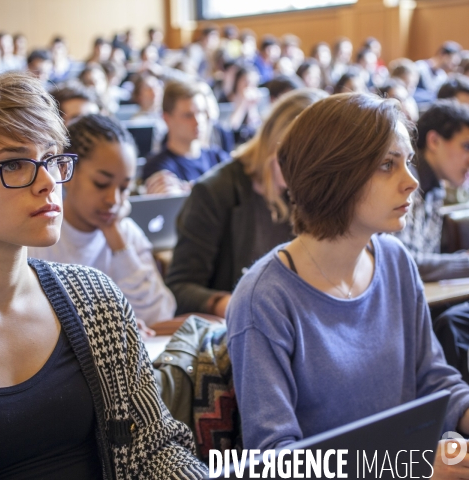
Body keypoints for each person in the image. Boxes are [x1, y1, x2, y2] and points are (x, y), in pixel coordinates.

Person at [0, 72, 206, 479]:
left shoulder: (96, 298)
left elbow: (155, 447)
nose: (48, 182)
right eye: (13, 164)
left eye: (51, 159)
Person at [226, 93, 469, 478]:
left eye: (407, 162)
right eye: (387, 165)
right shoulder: (265, 298)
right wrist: (409, 465)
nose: (411, 182)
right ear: (334, 176)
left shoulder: (395, 261)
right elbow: (277, 461)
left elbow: (434, 380)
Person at [166, 89, 327, 317]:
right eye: (304, 159)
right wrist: (237, 305)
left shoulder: (309, 190)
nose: (309, 174)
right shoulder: (216, 191)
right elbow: (180, 288)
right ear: (277, 145)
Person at [28, 114, 176, 327]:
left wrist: (116, 237)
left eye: (124, 188)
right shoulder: (38, 237)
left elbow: (161, 314)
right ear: (66, 171)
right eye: (101, 183)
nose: (113, 200)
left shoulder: (126, 233)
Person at [396, 100, 469, 281]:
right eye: (466, 146)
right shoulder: (406, 181)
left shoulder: (436, 187)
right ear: (434, 141)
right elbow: (401, 262)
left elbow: (426, 256)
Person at [143, 81, 229, 194]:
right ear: (167, 119)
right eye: (188, 115)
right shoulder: (158, 167)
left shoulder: (218, 157)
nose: (198, 121)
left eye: (201, 112)